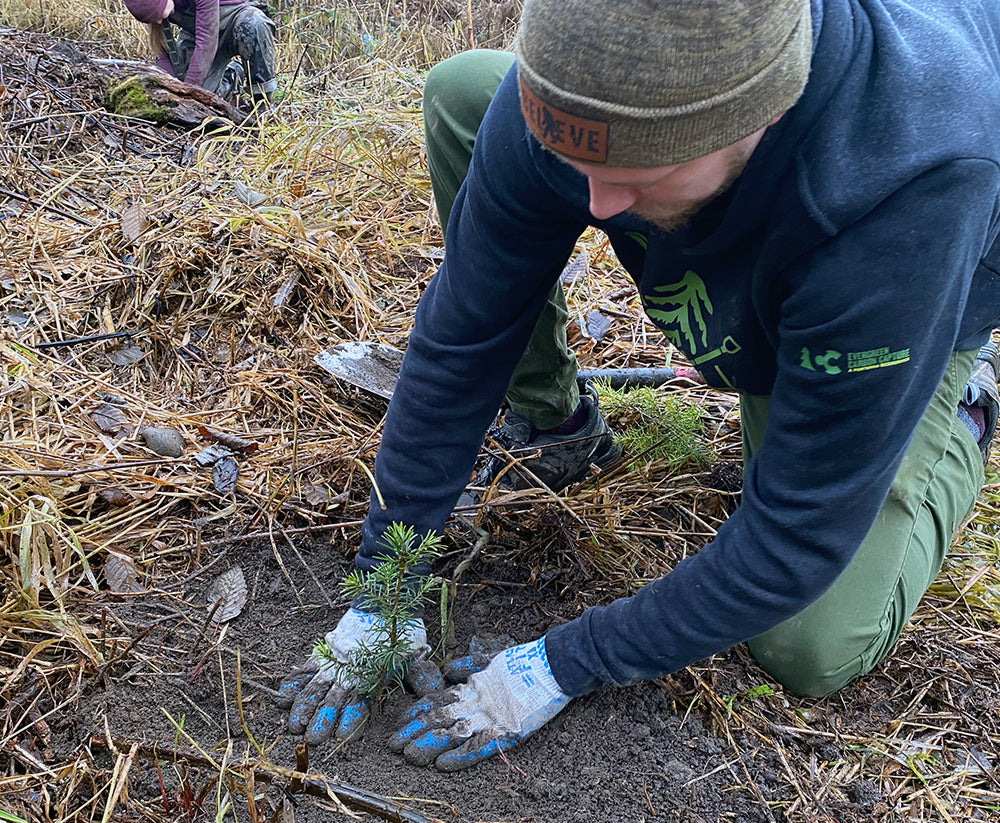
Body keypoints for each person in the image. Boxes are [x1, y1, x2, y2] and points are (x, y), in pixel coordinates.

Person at [277, 0, 1000, 770]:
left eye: (634, 176)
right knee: (468, 93)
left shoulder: (907, 181)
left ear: (756, 115)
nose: (595, 208)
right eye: (578, 164)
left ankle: (961, 409)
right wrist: (384, 591)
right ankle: (559, 423)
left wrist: (557, 667)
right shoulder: (585, 91)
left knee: (812, 645)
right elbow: (460, 346)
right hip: (760, 204)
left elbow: (796, 537)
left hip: (906, 284)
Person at [123, 0, 277, 106]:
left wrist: (189, 92)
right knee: (206, 100)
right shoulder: (156, 10)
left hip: (234, 21)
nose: (157, 21)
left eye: (156, 15)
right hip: (196, 35)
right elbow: (162, 49)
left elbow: (206, 41)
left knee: (256, 24)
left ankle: (262, 102)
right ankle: (233, 75)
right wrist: (168, 85)